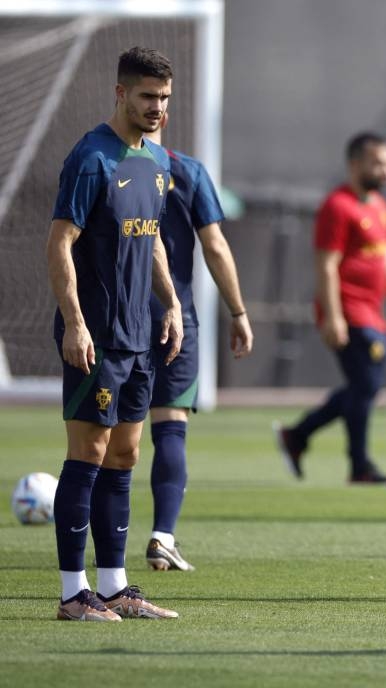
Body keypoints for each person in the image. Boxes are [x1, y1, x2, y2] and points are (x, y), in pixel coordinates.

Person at [45, 46, 183, 621]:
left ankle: (116, 586)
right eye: (148, 97)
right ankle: (73, 593)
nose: (158, 108)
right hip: (96, 336)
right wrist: (75, 324)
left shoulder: (155, 162)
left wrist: (171, 303)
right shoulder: (91, 158)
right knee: (90, 452)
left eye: (166, 99)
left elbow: (149, 238)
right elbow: (59, 243)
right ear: (121, 93)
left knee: (126, 455)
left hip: (138, 335)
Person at [274, 133, 386, 485]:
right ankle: (359, 465)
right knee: (366, 384)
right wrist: (334, 315)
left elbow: (384, 256)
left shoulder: (378, 205)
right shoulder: (337, 206)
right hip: (349, 311)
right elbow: (326, 265)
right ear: (355, 164)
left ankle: (299, 435)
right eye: (378, 163)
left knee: (363, 386)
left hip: (372, 312)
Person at [143, 111, 254, 572]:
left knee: (110, 436)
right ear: (165, 113)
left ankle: (96, 548)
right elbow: (215, 245)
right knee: (170, 424)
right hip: (176, 319)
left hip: (115, 315)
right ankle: (162, 534)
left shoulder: (101, 163)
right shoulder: (186, 171)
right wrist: (239, 312)